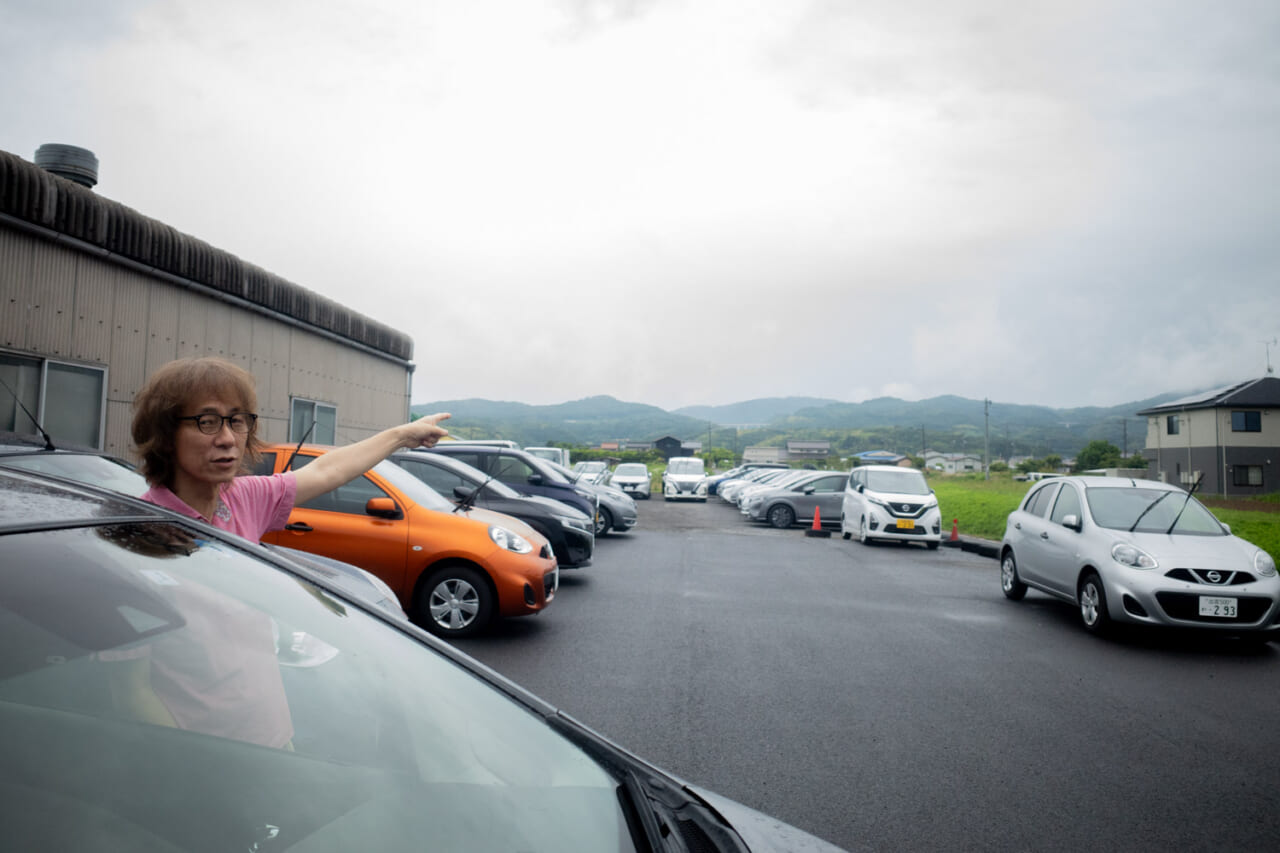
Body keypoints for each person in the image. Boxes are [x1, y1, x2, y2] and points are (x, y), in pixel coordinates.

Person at [130, 356, 450, 540]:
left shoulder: (242, 498)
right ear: (166, 433)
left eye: (237, 420)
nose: (228, 438)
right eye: (207, 421)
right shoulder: (138, 528)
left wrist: (403, 435)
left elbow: (328, 470)